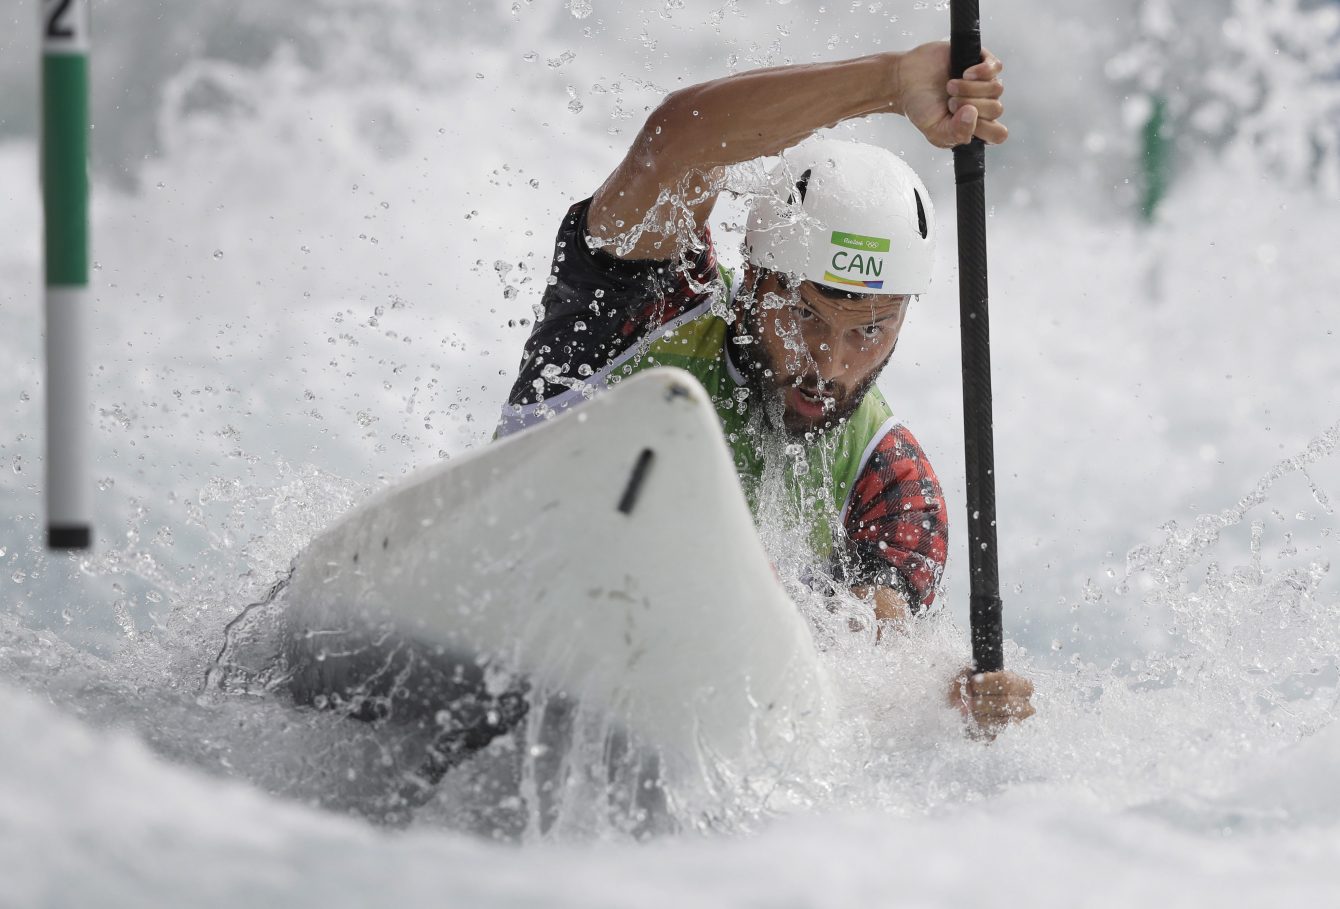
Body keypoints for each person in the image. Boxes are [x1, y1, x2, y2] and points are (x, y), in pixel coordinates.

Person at [497, 43, 1034, 734]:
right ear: (753, 281)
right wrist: (889, 83)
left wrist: (945, 702)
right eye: (805, 315)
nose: (830, 362)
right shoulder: (644, 306)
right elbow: (682, 139)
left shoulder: (888, 476)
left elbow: (860, 679)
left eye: (868, 331)